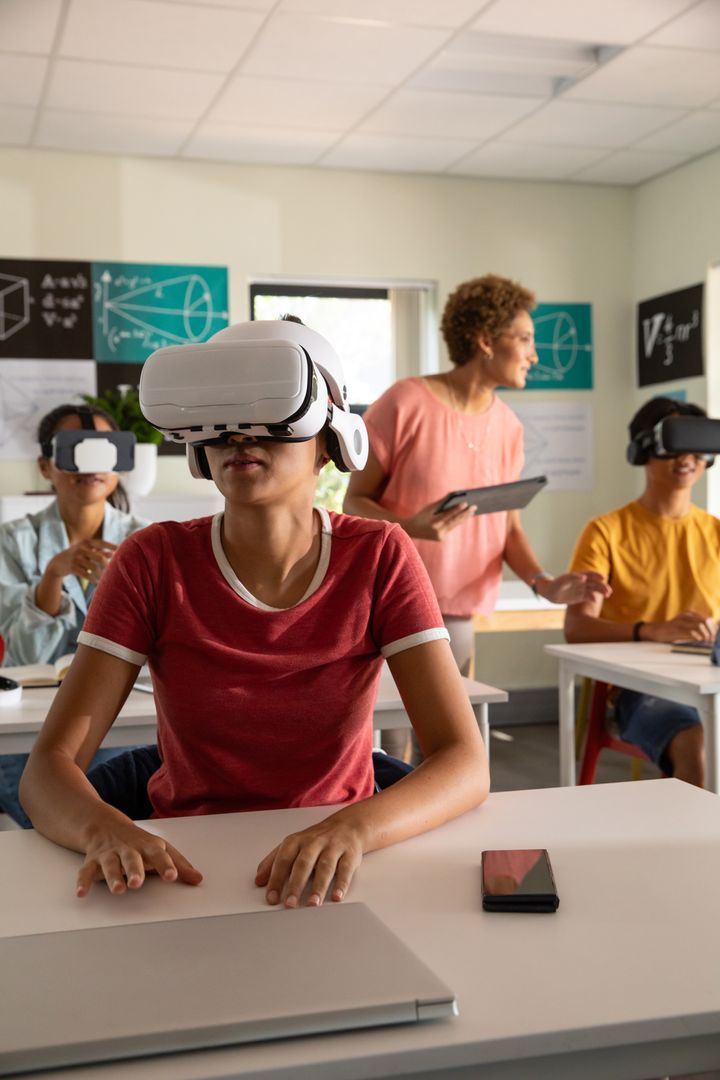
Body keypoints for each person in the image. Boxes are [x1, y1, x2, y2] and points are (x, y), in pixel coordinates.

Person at [19, 320, 489, 906]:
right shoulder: (154, 560)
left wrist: (353, 827)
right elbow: (47, 769)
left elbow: (465, 761)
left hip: (338, 866)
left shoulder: (378, 554)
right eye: (220, 419)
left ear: (329, 438)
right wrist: (104, 828)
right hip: (189, 866)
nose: (241, 435)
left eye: (271, 411)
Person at [344, 274, 608, 756]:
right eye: (525, 339)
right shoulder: (405, 402)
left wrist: (544, 583)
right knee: (393, 743)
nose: (534, 354)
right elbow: (353, 501)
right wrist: (411, 526)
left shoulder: (507, 425)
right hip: (391, 602)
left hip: (460, 610)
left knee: (447, 747)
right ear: (486, 341)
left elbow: (507, 527)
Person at [0, 404, 148, 826]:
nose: (91, 465)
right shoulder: (12, 541)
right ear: (46, 466)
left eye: (105, 451)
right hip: (26, 732)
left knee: (120, 805)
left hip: (120, 722)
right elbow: (21, 656)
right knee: (43, 809)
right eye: (75, 451)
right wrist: (53, 574)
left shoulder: (145, 541)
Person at [565, 396, 720, 787]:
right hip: (641, 690)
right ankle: (695, 848)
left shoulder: (716, 532)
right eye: (672, 441)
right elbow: (578, 627)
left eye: (695, 443)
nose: (685, 456)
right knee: (696, 745)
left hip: (708, 677)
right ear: (642, 450)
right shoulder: (606, 532)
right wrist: (649, 629)